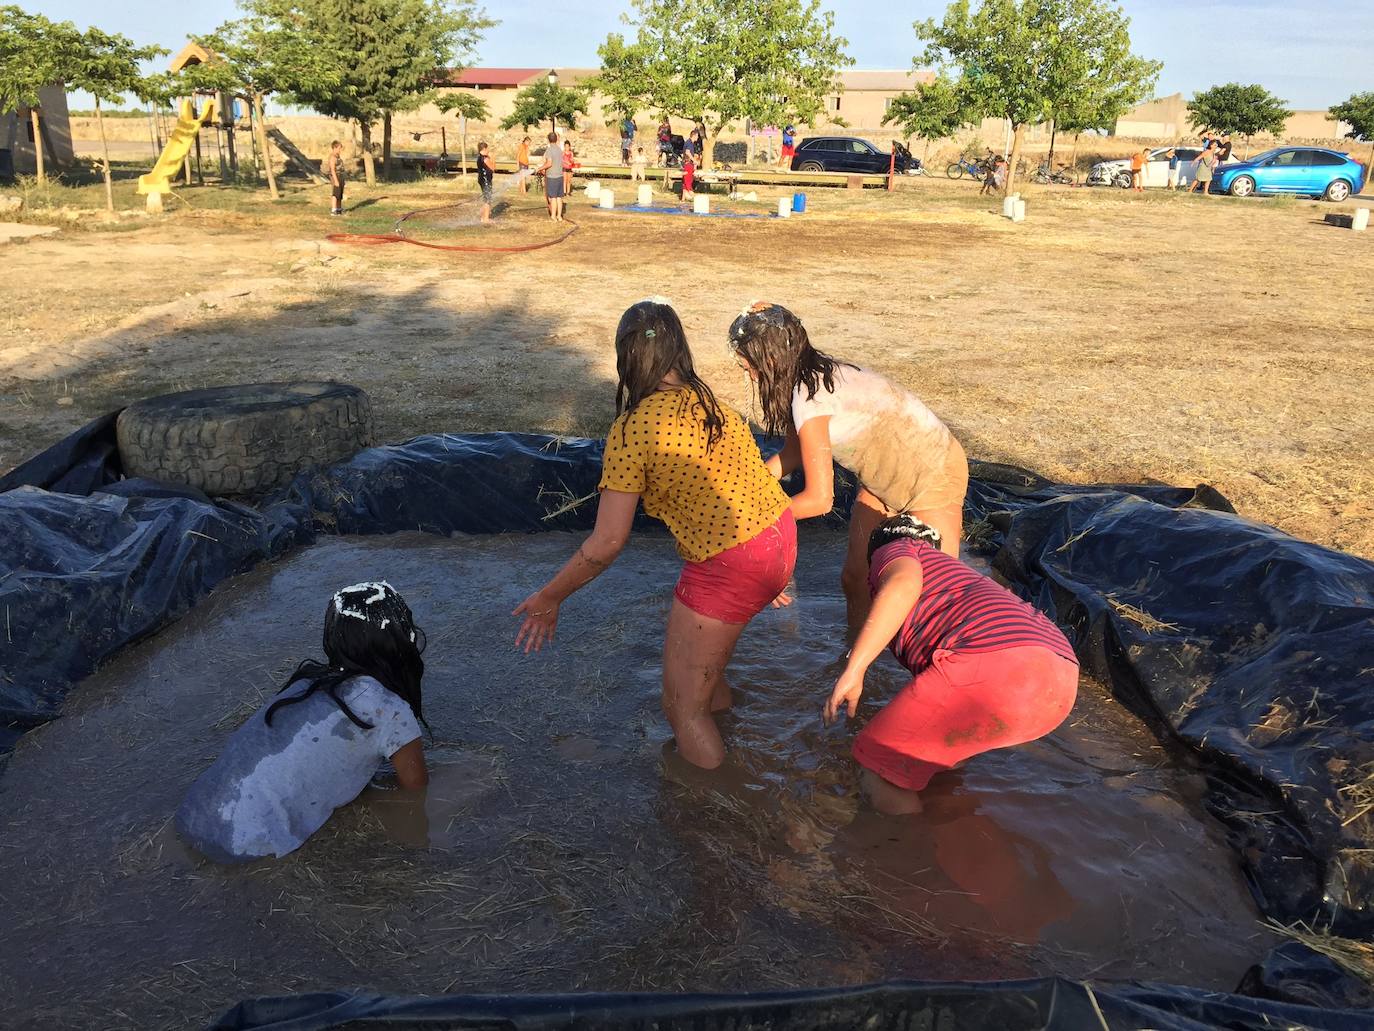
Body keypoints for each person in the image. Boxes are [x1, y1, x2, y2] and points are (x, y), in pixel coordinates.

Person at [514, 299, 796, 770]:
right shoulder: (713, 405)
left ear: (625, 359)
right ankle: (729, 740)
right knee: (703, 681)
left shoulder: (633, 430)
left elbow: (607, 543)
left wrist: (550, 597)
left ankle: (715, 802)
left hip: (732, 561)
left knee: (681, 709)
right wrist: (768, 572)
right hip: (777, 537)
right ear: (680, 349)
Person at [728, 302, 968, 640]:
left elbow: (820, 500)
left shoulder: (810, 398)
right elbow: (792, 455)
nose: (751, 376)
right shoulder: (803, 380)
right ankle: (854, 656)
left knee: (935, 594)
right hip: (883, 479)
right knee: (857, 578)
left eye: (749, 367)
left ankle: (953, 661)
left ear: (770, 360)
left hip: (933, 472)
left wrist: (754, 519)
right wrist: (742, 492)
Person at [823, 517, 1079, 815]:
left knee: (879, 765)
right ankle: (945, 824)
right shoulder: (954, 581)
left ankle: (902, 843)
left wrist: (855, 669)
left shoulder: (898, 546)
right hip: (1060, 674)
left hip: (999, 664)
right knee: (937, 762)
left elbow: (902, 584)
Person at [175, 582, 429, 862]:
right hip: (246, 846)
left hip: (194, 814)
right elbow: (416, 788)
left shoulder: (305, 682)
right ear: (398, 644)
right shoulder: (391, 711)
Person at [540, 131, 564, 221]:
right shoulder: (559, 149)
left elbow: (549, 163)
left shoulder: (549, 150)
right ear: (556, 139)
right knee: (559, 197)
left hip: (552, 177)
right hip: (560, 176)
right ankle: (559, 216)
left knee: (553, 197)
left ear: (548, 140)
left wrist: (540, 168)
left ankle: (553, 216)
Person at [476, 141, 494, 223]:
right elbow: (493, 168)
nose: (488, 151)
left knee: (486, 198)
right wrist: (493, 158)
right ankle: (486, 219)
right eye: (487, 149)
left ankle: (483, 217)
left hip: (481, 179)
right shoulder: (485, 159)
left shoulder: (479, 157)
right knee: (488, 199)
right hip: (486, 180)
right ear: (484, 149)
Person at [326, 140, 345, 216]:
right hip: (335, 176)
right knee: (335, 193)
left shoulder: (338, 156)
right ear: (334, 148)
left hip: (340, 176)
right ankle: (333, 210)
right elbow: (333, 170)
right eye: (339, 148)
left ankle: (339, 209)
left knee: (340, 194)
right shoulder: (332, 157)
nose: (340, 150)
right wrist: (336, 181)